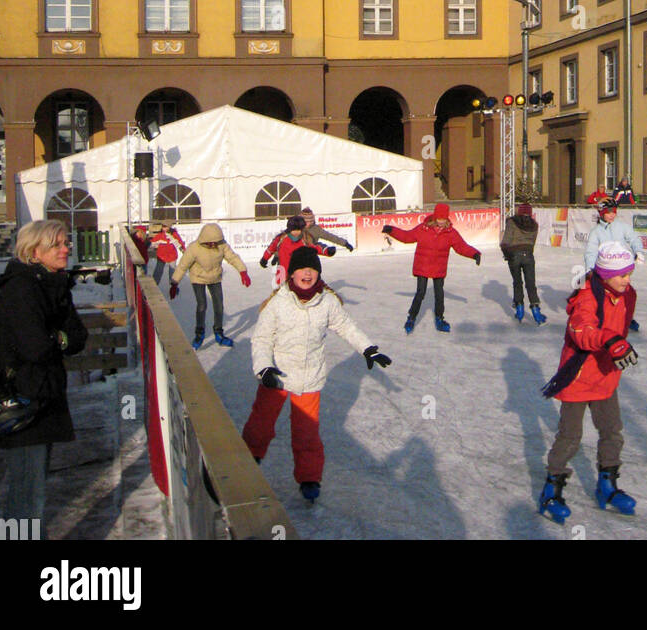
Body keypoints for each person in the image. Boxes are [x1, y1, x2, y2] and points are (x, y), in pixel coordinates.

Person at [242, 246, 391, 501]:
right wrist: (264, 367)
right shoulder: (278, 303)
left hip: (310, 376)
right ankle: (248, 458)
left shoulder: (328, 301)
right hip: (276, 374)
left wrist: (368, 349)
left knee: (307, 432)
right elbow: (262, 339)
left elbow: (346, 327)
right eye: (301, 269)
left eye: (312, 269)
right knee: (261, 424)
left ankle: (309, 476)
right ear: (292, 273)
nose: (307, 274)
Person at [0, 220, 88, 538]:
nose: (66, 248)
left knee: (32, 490)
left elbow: (78, 337)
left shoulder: (54, 284)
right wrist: (58, 339)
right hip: (22, 399)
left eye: (66, 242)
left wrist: (57, 338)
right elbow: (35, 346)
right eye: (58, 244)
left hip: (43, 395)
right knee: (26, 494)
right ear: (35, 252)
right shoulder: (21, 288)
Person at [538, 240, 638, 523]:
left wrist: (618, 346)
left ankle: (607, 486)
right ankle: (551, 490)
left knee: (612, 431)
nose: (627, 279)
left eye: (629, 273)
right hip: (579, 377)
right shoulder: (587, 297)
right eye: (622, 275)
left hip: (605, 376)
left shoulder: (626, 294)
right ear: (605, 275)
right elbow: (582, 331)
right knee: (570, 438)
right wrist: (610, 340)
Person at [382, 202, 480, 333]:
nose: (440, 222)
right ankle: (411, 317)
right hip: (422, 265)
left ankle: (440, 318)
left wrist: (474, 254)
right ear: (434, 217)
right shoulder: (423, 229)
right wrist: (392, 230)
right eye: (439, 219)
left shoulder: (450, 233)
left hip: (438, 267)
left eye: (443, 219)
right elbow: (407, 237)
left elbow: (461, 246)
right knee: (420, 293)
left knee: (439, 294)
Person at [170, 222, 250, 349]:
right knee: (202, 305)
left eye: (216, 242)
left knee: (219, 305)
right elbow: (183, 266)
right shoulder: (194, 248)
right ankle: (199, 334)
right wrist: (174, 283)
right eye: (210, 242)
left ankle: (219, 332)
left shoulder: (222, 245)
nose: (213, 244)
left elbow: (233, 258)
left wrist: (242, 271)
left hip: (215, 277)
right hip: (198, 278)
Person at [585, 192, 643, 332]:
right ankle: (604, 316)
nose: (612, 215)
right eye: (608, 212)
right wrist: (589, 269)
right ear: (601, 213)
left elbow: (634, 238)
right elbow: (591, 252)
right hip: (604, 269)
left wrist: (638, 251)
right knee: (605, 294)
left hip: (622, 266)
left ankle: (627, 317)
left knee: (627, 293)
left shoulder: (621, 227)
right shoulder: (596, 232)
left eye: (614, 212)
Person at [500, 202, 545, 324]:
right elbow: (532, 243)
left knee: (517, 282)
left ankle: (519, 310)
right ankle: (536, 311)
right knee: (531, 283)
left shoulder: (511, 222)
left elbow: (505, 241)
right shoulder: (534, 225)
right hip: (528, 255)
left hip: (514, 256)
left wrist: (507, 254)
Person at [148, 222, 185, 287]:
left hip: (172, 256)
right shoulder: (160, 235)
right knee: (158, 271)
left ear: (169, 227)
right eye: (163, 227)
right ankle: (154, 286)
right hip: (161, 256)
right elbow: (152, 242)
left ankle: (173, 287)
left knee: (172, 273)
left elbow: (180, 243)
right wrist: (151, 244)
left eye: (166, 227)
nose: (164, 228)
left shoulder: (174, 235)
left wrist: (184, 250)